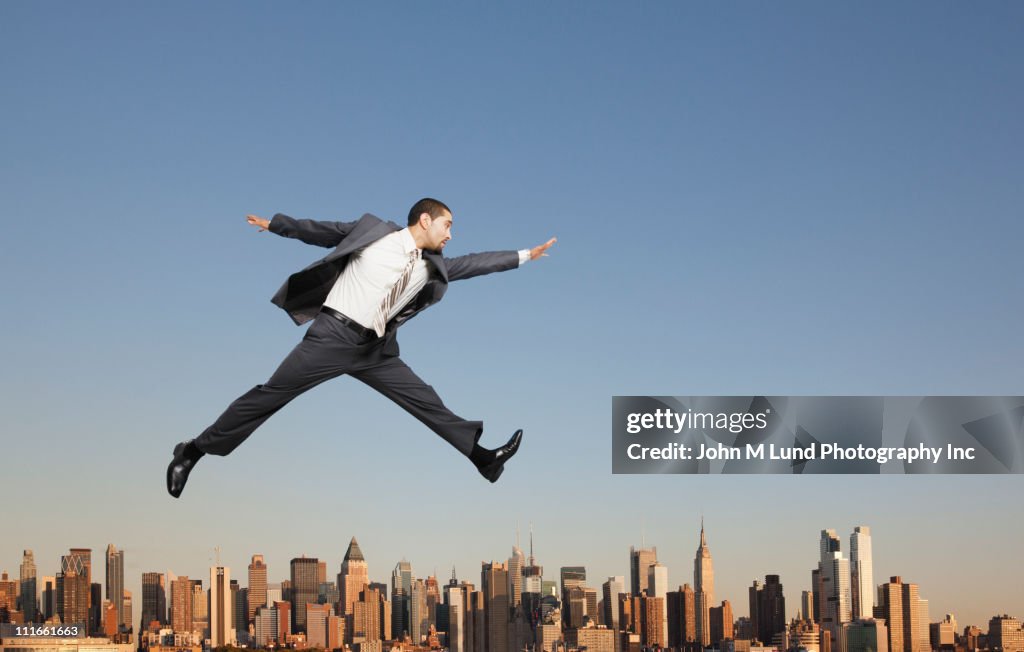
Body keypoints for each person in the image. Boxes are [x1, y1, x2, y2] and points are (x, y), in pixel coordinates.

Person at [167, 198, 556, 497]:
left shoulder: (432, 266)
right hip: (332, 336)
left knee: (425, 400)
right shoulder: (375, 232)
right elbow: (319, 230)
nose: (451, 234)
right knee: (270, 396)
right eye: (447, 224)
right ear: (425, 219)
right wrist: (275, 225)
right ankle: (194, 451)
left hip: (375, 351)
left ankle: (482, 458)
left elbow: (475, 263)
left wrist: (524, 256)